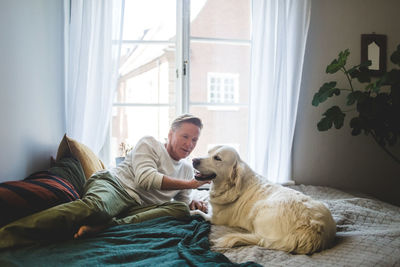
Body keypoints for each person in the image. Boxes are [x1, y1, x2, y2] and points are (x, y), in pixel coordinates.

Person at [0, 114, 210, 249]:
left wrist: (192, 202)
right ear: (171, 133)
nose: (189, 144)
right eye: (185, 136)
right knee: (95, 207)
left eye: (194, 140)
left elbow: (181, 202)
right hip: (115, 186)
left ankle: (105, 226)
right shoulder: (150, 143)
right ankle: (7, 235)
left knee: (181, 212)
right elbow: (146, 179)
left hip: (137, 207)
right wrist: (191, 184)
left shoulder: (185, 170)